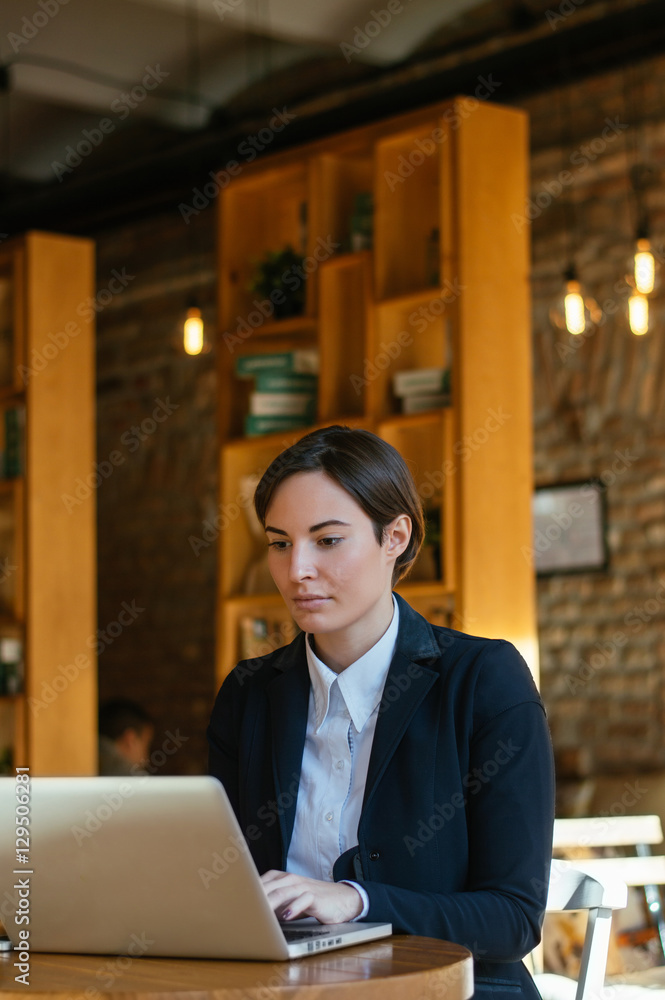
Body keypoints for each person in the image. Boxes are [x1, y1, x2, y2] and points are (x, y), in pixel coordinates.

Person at [208, 425, 555, 999]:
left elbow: (512, 918)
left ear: (395, 536)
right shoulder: (248, 695)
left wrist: (358, 900)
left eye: (327, 540)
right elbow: (224, 882)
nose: (297, 571)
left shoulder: (484, 681)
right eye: (279, 543)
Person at [98, 697, 154, 776]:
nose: (146, 758)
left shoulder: (83, 757)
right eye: (146, 745)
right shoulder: (132, 778)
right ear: (130, 740)